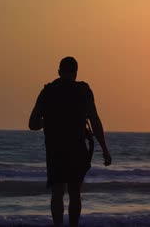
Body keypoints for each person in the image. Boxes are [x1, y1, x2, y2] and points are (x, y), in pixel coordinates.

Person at [29, 56, 112, 227]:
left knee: (57, 193)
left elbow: (32, 124)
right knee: (75, 193)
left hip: (55, 149)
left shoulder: (48, 91)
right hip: (77, 149)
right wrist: (104, 148)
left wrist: (50, 121)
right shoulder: (84, 90)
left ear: (59, 72)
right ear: (76, 73)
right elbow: (95, 121)